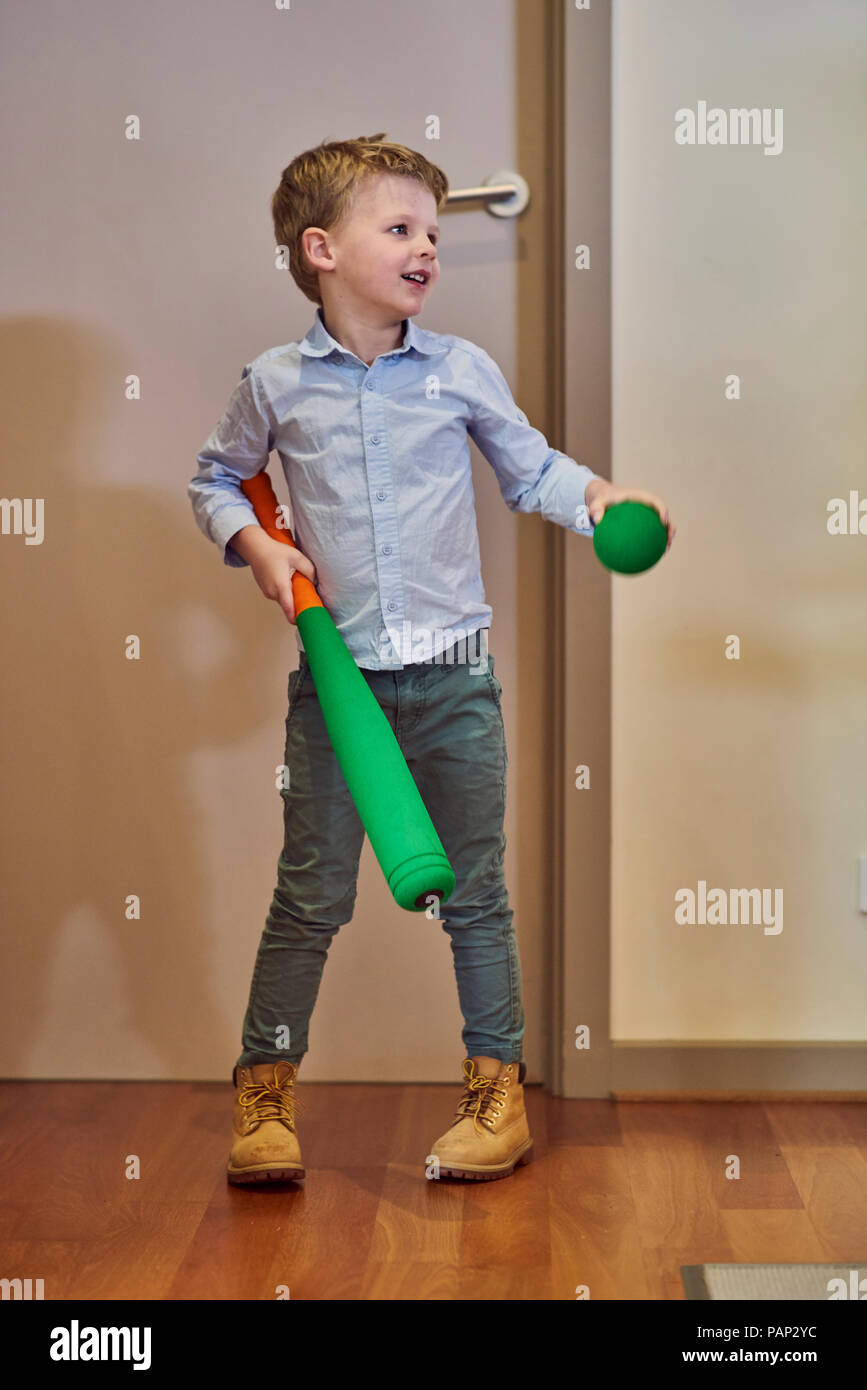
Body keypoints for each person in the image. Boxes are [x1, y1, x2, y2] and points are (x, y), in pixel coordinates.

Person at [188, 133, 675, 1187]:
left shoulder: (458, 370)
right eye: (399, 228)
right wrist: (259, 543)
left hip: (453, 681)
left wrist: (599, 502)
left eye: (433, 234)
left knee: (478, 894)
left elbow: (531, 468)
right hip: (340, 689)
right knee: (311, 893)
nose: (425, 251)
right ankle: (264, 1091)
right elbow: (216, 480)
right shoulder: (274, 385)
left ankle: (496, 1090)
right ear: (321, 249)